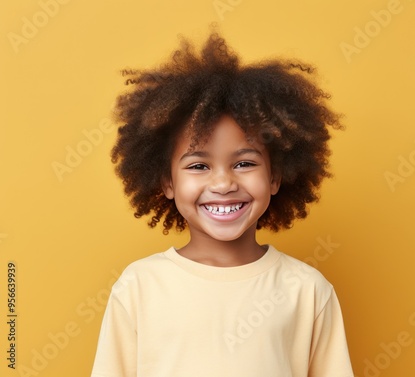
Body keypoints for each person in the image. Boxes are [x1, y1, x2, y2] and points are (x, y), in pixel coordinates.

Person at [91, 31, 354, 377]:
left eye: (244, 163)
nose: (223, 184)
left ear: (275, 177)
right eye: (199, 166)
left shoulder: (307, 290)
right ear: (167, 182)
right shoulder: (139, 286)